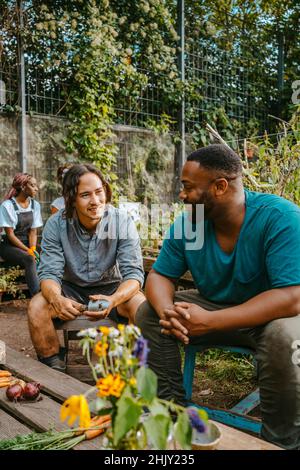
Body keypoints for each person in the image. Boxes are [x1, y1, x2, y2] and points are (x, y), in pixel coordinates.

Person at [136, 144, 300, 450]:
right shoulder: (190, 224)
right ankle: (172, 415)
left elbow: (291, 297)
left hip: (272, 318)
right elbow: (159, 276)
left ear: (220, 187)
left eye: (187, 187)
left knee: (283, 336)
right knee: (148, 312)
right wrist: (168, 311)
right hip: (216, 310)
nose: (181, 196)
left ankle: (281, 444)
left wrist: (211, 321)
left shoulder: (280, 217)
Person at [28, 163, 145, 372]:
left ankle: (135, 368)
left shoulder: (122, 221)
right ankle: (53, 367)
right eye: (85, 195)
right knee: (37, 307)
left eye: (99, 192)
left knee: (142, 307)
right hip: (70, 290)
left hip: (112, 289)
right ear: (71, 199)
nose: (95, 201)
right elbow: (48, 273)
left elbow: (134, 275)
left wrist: (114, 299)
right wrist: (56, 298)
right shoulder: (56, 224)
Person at [0, 173, 42, 297]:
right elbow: (10, 235)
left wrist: (33, 248)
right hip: (8, 245)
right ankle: (37, 296)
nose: (36, 188)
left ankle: (54, 290)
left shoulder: (35, 205)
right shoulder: (7, 206)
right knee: (29, 259)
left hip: (28, 243)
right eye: (33, 185)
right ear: (23, 187)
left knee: (50, 251)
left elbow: (33, 231)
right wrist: (28, 251)